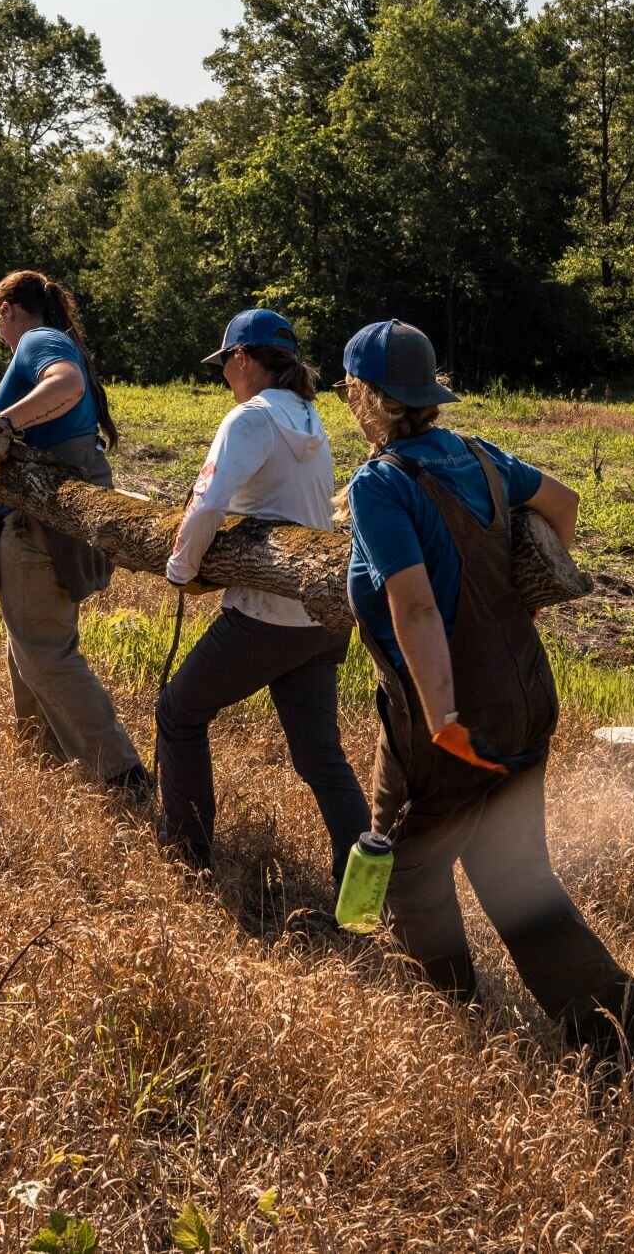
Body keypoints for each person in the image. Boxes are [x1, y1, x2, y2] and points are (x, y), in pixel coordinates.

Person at [338, 318, 634, 1061]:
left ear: (367, 395)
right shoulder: (479, 456)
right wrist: (524, 601)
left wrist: (442, 718)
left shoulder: (381, 483)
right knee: (513, 870)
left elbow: (415, 605)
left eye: (346, 388)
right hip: (525, 690)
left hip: (454, 713)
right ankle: (618, 1014)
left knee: (405, 872)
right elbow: (564, 502)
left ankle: (457, 1023)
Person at [156, 308, 371, 884]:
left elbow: (207, 503)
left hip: (266, 614)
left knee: (179, 712)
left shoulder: (249, 419)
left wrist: (181, 570)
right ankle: (366, 891)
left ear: (244, 358)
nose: (224, 374)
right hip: (322, 615)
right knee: (321, 758)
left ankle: (187, 861)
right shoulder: (308, 415)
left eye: (225, 362)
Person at [0, 269, 149, 796]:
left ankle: (123, 774)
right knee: (28, 646)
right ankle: (43, 763)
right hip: (45, 525)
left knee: (46, 654)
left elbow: (65, 385)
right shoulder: (52, 339)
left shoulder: (38, 340)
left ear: (6, 309)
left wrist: (2, 425)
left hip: (36, 529)